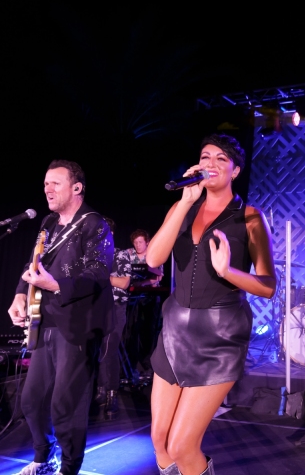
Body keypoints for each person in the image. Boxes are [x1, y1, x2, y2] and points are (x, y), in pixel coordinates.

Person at [145, 133, 276, 475]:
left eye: (221, 158)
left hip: (219, 338)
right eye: (205, 156)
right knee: (159, 439)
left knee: (182, 445)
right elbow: (154, 258)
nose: (211, 163)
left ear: (235, 171)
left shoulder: (249, 217)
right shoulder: (183, 208)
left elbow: (268, 286)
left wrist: (227, 271)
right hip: (175, 333)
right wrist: (186, 202)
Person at [8, 160, 114, 475]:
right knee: (31, 400)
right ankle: (44, 457)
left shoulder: (94, 224)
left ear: (77, 187)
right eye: (45, 184)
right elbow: (33, 263)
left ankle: (69, 467)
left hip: (78, 326)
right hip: (45, 321)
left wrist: (54, 284)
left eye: (55, 183)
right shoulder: (48, 224)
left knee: (66, 404)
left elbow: (98, 273)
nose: (47, 189)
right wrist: (19, 294)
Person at [94, 217, 132, 420]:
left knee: (109, 350)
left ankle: (111, 394)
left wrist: (100, 277)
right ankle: (99, 390)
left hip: (115, 307)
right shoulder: (92, 256)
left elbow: (124, 283)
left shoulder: (121, 254)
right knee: (96, 350)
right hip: (94, 309)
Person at [124, 228, 163, 378]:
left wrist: (142, 283)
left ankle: (148, 366)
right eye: (135, 242)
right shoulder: (129, 254)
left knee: (148, 332)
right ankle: (131, 365)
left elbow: (157, 278)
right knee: (131, 332)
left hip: (149, 299)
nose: (137, 245)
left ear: (147, 242)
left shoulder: (154, 255)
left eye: (140, 242)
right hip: (132, 298)